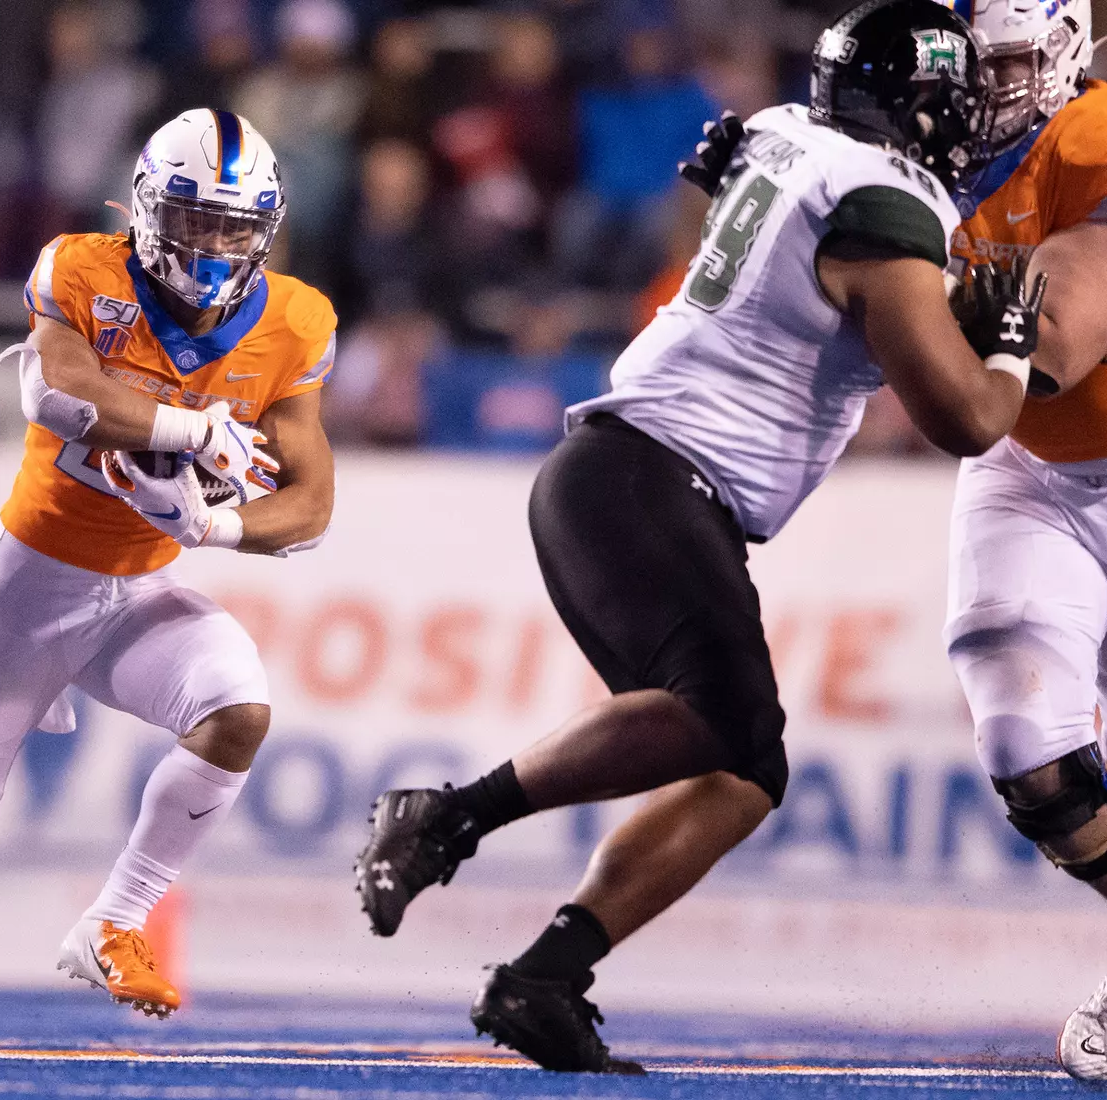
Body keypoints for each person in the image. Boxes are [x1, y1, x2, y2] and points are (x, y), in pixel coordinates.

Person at [355, 0, 1042, 1072]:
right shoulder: (886, 202)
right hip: (649, 482)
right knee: (723, 719)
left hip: (630, 482)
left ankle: (546, 975)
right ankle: (445, 815)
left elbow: (756, 231)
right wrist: (1007, 348)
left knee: (743, 764)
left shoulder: (782, 130)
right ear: (916, 111)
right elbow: (967, 417)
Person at [0, 108, 337, 1019]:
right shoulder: (82, 266)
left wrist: (211, 530)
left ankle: (114, 920)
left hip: (139, 584)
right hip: (29, 582)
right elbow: (56, 389)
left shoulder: (298, 321)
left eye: (236, 224)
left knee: (237, 711)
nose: (216, 243)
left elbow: (311, 506)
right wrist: (196, 430)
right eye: (196, 218)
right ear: (147, 210)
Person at [920, 0, 1107, 1089]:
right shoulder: (904, 145)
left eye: (1015, 64)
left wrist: (899, 281)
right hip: (1024, 469)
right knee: (1024, 741)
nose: (988, 89)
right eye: (973, 69)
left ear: (1068, 54)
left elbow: (1061, 345)